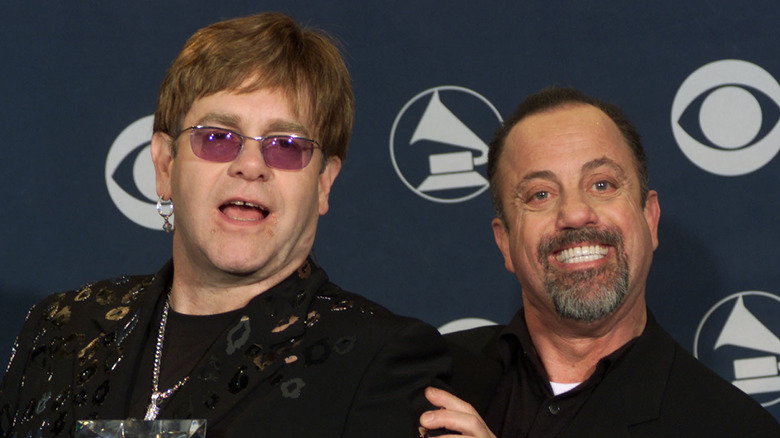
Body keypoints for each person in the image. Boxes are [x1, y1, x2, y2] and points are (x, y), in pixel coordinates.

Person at [0, 13, 450, 438]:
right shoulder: (64, 329)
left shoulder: (379, 359)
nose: (250, 165)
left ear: (324, 184)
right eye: (217, 137)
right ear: (163, 165)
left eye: (286, 145)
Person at [419, 87, 780, 437]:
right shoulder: (425, 379)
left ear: (650, 219)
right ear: (505, 243)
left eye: (602, 185)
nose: (575, 214)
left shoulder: (732, 427)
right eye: (540, 194)